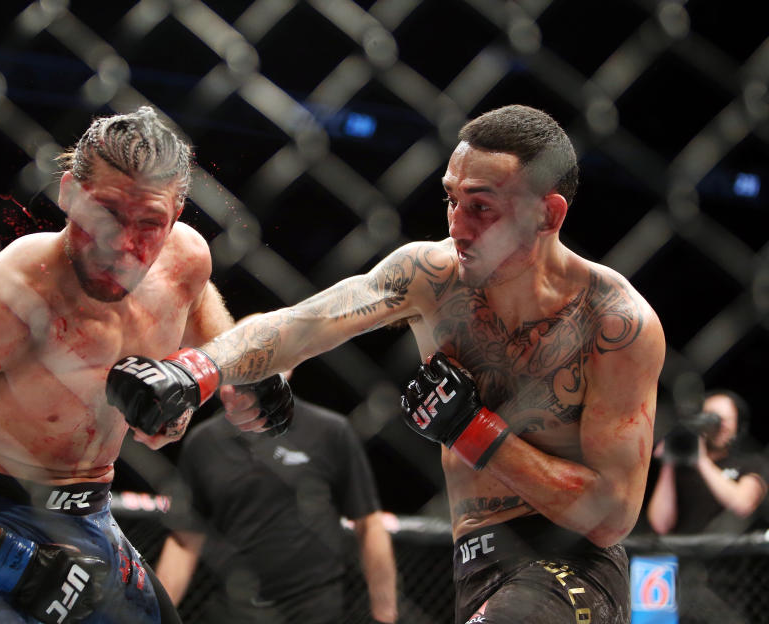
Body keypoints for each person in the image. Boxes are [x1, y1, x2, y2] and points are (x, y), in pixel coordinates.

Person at [106, 104, 667, 623]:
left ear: (547, 214)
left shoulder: (615, 324)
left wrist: (473, 430)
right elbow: (300, 325)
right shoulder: (431, 276)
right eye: (451, 199)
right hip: (474, 563)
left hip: (572, 569)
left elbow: (612, 514)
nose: (457, 225)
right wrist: (193, 369)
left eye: (481, 208)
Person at [0, 107, 292, 624]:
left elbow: (199, 299)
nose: (125, 246)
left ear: (177, 212)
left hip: (93, 518)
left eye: (149, 224)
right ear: (70, 194)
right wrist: (7, 558)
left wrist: (224, 372)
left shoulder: (184, 261)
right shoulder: (4, 302)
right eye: (107, 214)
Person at [155, 382, 398, 624]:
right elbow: (185, 540)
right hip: (236, 608)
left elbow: (369, 523)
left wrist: (384, 614)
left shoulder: (329, 431)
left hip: (314, 609)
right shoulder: (204, 442)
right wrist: (153, 618)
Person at [646, 390, 768, 535]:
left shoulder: (751, 462)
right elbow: (660, 525)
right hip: (684, 550)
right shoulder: (683, 467)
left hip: (733, 553)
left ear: (737, 427)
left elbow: (742, 504)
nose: (718, 426)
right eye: (710, 418)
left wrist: (701, 460)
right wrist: (669, 462)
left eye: (725, 420)